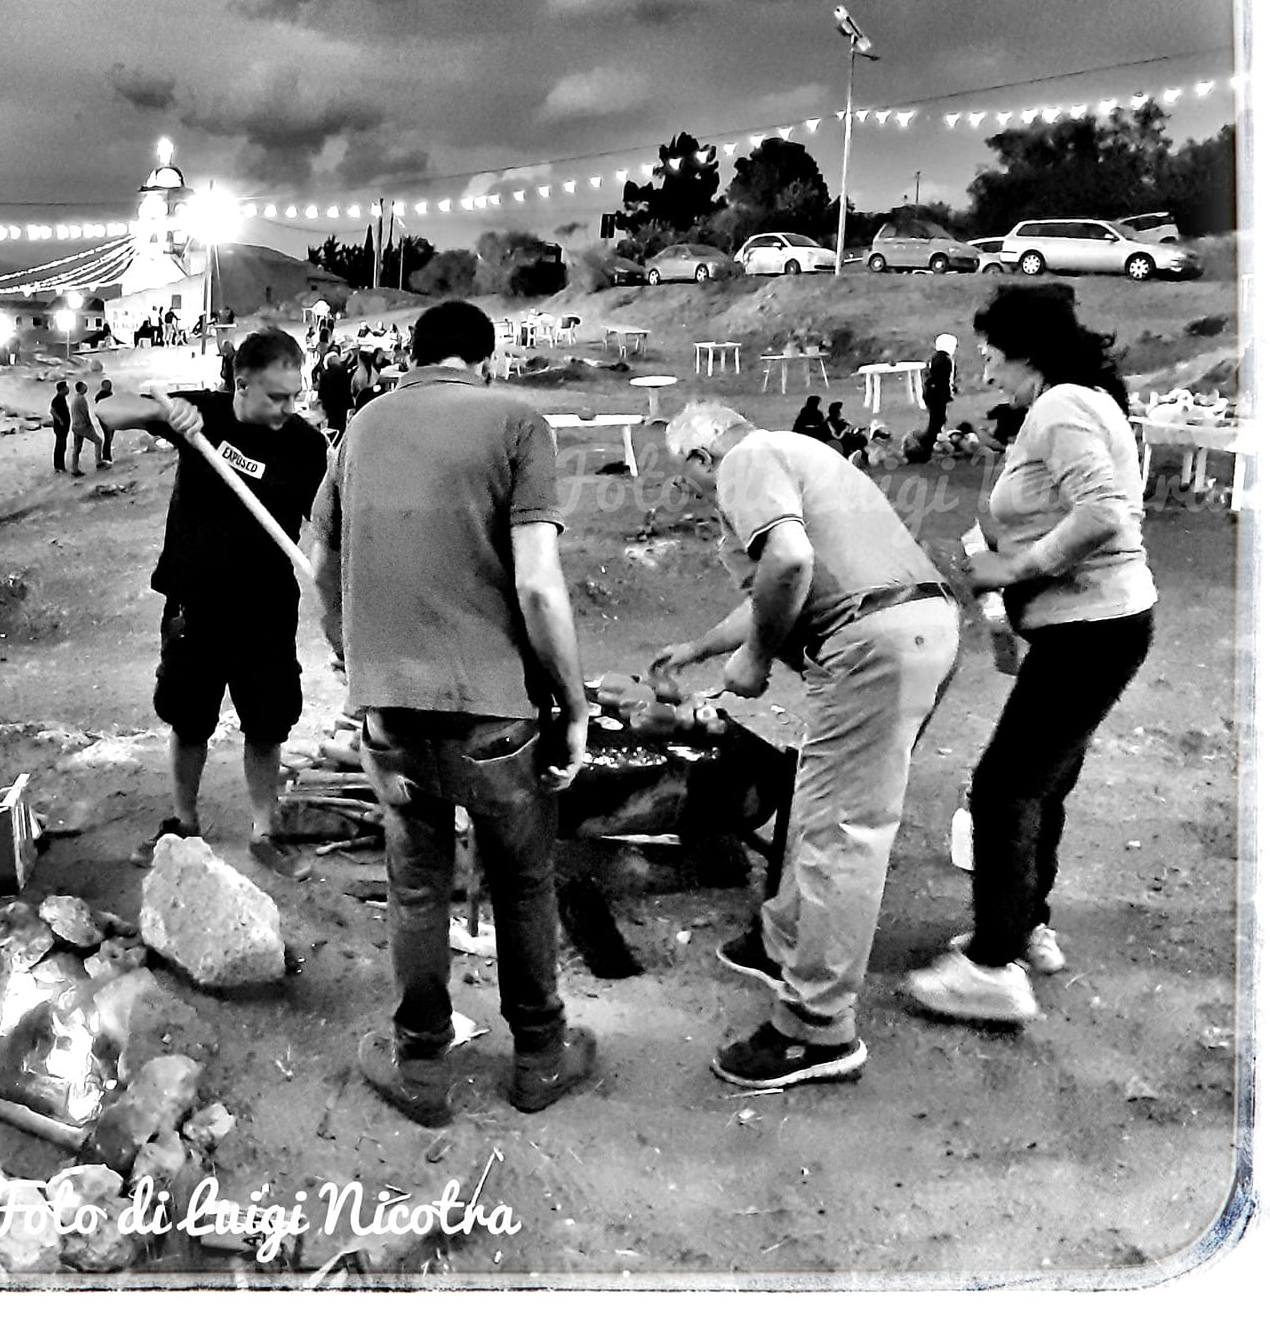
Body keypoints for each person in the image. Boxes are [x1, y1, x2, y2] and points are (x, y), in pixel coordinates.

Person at [309, 299, 595, 1125]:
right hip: (494, 715)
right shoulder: (518, 423)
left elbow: (319, 565)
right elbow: (538, 584)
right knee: (524, 883)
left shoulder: (360, 426)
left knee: (416, 889)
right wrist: (573, 703)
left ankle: (421, 1067)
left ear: (414, 355)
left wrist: (352, 653)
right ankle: (538, 1058)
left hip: (392, 717)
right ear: (486, 360)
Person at [651, 400, 959, 1088]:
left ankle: (815, 1029)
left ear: (701, 456)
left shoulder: (745, 460)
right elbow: (777, 579)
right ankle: (782, 939)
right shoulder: (797, 453)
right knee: (827, 811)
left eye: (686, 478)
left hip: (871, 645)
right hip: (914, 626)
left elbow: (789, 561)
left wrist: (757, 658)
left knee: (841, 834)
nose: (692, 493)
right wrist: (702, 648)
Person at [904, 285, 1156, 1024]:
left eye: (991, 355)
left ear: (1028, 351)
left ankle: (992, 967)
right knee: (1041, 785)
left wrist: (1016, 569)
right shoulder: (1080, 403)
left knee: (1003, 788)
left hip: (1091, 625)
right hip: (1099, 622)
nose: (984, 371)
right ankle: (1024, 927)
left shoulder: (1062, 407)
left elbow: (1104, 512)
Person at [98, 327, 330, 881]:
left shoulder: (304, 445)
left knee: (267, 723)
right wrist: (167, 410)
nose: (288, 407)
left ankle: (264, 830)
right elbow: (107, 411)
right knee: (188, 718)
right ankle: (183, 821)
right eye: (276, 396)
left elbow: (324, 524)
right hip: (195, 602)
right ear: (241, 384)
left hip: (266, 606)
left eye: (295, 395)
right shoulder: (205, 415)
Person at [907, 334, 960, 463]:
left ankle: (927, 448)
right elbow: (942, 379)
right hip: (937, 395)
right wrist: (948, 392)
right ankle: (924, 450)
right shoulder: (944, 360)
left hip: (934, 394)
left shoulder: (938, 358)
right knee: (936, 423)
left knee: (938, 421)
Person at [315, 349, 355, 441]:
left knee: (332, 425)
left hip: (330, 404)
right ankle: (339, 441)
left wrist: (322, 403)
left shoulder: (324, 374)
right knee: (341, 425)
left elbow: (322, 392)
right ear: (332, 360)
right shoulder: (343, 371)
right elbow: (347, 389)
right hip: (342, 403)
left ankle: (332, 441)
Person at [66, 378, 100, 478]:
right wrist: (90, 424)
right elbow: (85, 413)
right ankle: (99, 461)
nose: (86, 387)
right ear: (81, 388)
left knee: (77, 448)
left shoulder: (75, 398)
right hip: (83, 425)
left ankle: (74, 468)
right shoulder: (81, 399)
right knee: (98, 441)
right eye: (85, 386)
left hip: (75, 425)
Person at [49, 381, 72, 472]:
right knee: (60, 446)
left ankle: (60, 465)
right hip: (60, 427)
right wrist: (60, 420)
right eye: (66, 388)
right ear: (62, 390)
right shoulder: (56, 399)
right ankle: (58, 466)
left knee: (62, 445)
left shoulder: (62, 398)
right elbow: (52, 411)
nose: (67, 389)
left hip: (64, 426)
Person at [95, 379, 116, 468]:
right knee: (108, 437)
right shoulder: (102, 396)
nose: (110, 387)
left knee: (109, 437)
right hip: (106, 419)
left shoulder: (108, 394)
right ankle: (106, 457)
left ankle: (106, 456)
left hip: (109, 418)